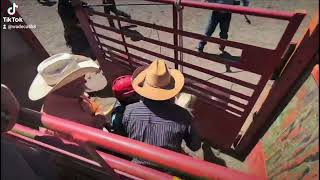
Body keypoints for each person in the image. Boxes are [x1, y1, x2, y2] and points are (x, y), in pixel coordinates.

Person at [121, 60, 202, 170]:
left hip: (137, 169)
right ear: (171, 91)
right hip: (167, 172)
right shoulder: (184, 115)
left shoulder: (129, 110)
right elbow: (195, 146)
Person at [28, 53, 109, 131]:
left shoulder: (71, 94)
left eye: (82, 76)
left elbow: (93, 106)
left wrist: (99, 115)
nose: (84, 81)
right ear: (64, 87)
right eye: (78, 82)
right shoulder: (64, 124)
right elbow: (91, 143)